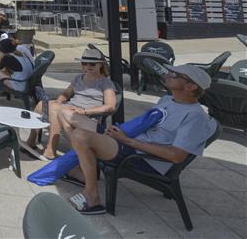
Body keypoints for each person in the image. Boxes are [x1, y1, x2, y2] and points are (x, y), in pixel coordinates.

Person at [64, 64, 216, 215]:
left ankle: (91, 197)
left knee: (80, 136)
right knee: (68, 115)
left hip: (142, 158)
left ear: (191, 86)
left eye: (175, 75)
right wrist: (122, 132)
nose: (168, 75)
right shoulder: (167, 99)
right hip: (129, 142)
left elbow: (176, 156)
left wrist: (127, 140)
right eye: (170, 72)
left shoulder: (195, 117)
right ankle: (80, 166)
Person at [26, 48, 116, 159]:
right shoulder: (79, 78)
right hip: (69, 109)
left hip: (85, 116)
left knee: (54, 110)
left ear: (100, 65)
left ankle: (50, 149)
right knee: (41, 105)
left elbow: (110, 106)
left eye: (92, 64)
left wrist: (85, 111)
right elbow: (67, 93)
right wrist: (59, 100)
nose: (88, 66)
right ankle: (32, 140)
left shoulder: (106, 83)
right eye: (84, 63)